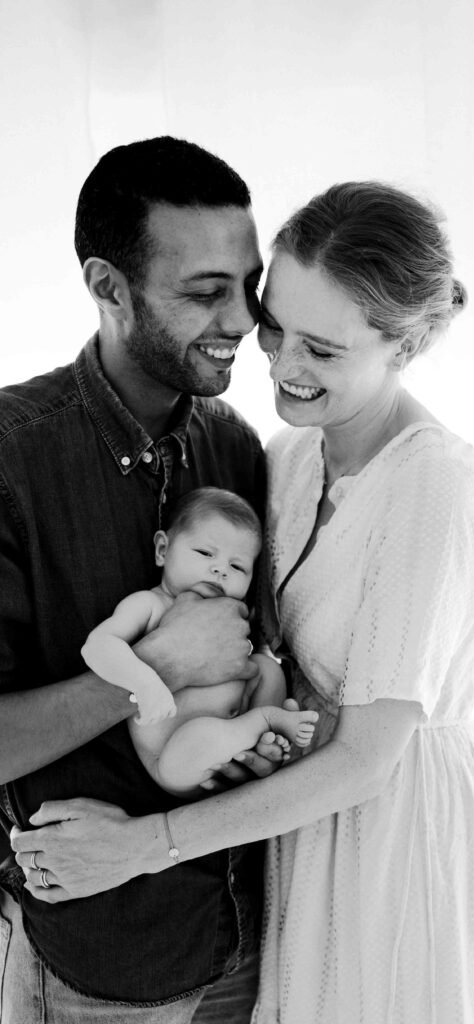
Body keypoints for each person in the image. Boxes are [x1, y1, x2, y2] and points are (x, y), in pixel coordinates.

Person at [12, 182, 474, 1022]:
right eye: (275, 327)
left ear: (403, 346)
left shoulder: (433, 484)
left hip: (395, 844)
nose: (284, 366)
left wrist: (140, 847)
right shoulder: (285, 460)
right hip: (297, 846)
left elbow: (367, 759)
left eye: (322, 351)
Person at [0, 137, 288, 1022]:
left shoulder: (237, 448)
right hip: (98, 963)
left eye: (248, 285)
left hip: (247, 936)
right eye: (204, 292)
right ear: (108, 288)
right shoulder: (13, 459)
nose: (241, 319)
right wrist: (151, 670)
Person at [82, 485, 317, 796]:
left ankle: (264, 738)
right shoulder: (152, 605)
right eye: (205, 553)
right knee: (199, 735)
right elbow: (98, 645)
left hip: (233, 746)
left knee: (266, 668)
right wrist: (145, 684)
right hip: (177, 760)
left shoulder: (234, 615)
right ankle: (265, 721)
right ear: (163, 550)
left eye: (237, 566)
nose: (220, 569)